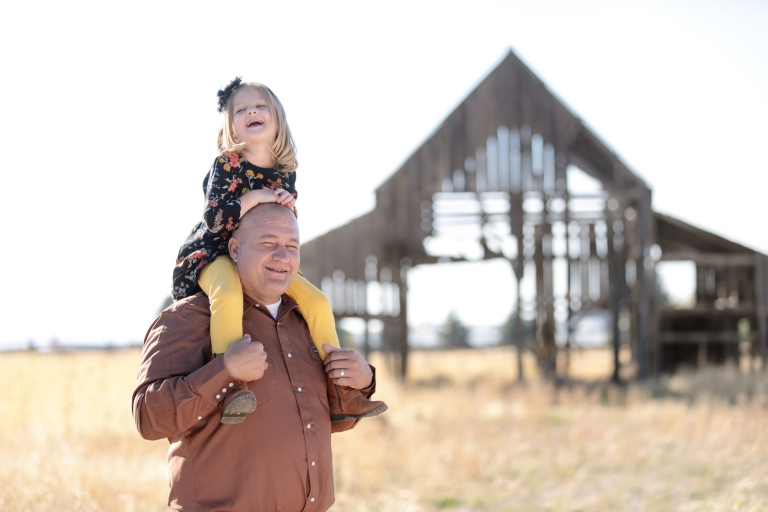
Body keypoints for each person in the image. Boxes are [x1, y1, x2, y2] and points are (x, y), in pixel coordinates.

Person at [134, 203, 380, 511]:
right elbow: (148, 419)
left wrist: (362, 380)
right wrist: (224, 370)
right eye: (268, 243)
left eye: (292, 246)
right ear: (235, 249)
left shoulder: (307, 324)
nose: (283, 256)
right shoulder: (186, 319)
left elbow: (326, 421)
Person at [171, 77, 386, 424]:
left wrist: (288, 204)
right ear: (231, 125)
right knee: (226, 292)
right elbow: (214, 218)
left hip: (262, 254)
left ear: (277, 118)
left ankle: (343, 392)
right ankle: (233, 385)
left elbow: (281, 219)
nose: (251, 111)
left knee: (317, 301)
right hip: (215, 253)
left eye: (260, 106)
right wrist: (258, 196)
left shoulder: (285, 170)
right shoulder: (226, 164)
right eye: (241, 109)